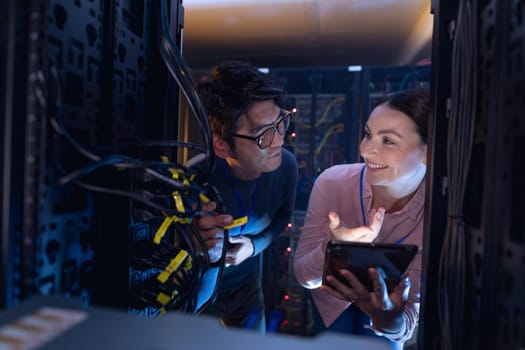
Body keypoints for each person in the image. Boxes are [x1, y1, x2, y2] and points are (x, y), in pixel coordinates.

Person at [293, 88, 429, 348]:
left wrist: (386, 317)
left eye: (387, 141)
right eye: (368, 135)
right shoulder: (333, 183)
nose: (366, 151)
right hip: (331, 302)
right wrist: (329, 248)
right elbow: (302, 275)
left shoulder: (441, 211)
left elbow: (408, 316)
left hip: (388, 320)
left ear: (428, 150)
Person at [188, 61, 298, 333]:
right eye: (263, 134)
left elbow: (282, 217)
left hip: (247, 287)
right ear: (222, 145)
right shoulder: (194, 180)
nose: (279, 141)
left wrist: (254, 245)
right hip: (197, 295)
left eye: (280, 123)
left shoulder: (286, 167)